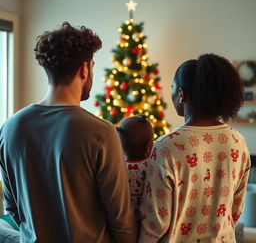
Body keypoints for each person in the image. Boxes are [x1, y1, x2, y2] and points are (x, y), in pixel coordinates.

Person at [0, 22, 137, 243]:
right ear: (84, 69)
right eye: (92, 66)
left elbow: (13, 208)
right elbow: (120, 219)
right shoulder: (101, 133)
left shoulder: (10, 127)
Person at [138, 54, 251, 243]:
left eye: (173, 88)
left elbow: (156, 222)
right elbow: (236, 210)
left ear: (181, 94)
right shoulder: (238, 142)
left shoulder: (166, 147)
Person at [117, 115, 154, 223]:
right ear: (148, 147)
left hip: (125, 223)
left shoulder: (117, 167)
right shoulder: (152, 166)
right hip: (147, 222)